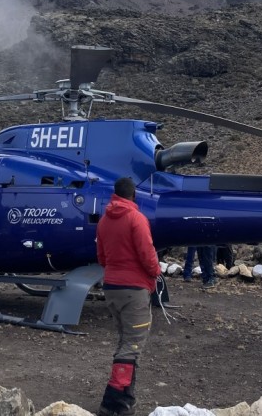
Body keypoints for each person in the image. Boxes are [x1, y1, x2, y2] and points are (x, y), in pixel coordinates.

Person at [95, 177, 161, 416]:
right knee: (132, 345)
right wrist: (156, 272)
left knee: (125, 341)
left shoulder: (103, 221)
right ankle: (114, 403)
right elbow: (147, 252)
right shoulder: (136, 219)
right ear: (133, 195)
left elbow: (101, 257)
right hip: (134, 290)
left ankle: (127, 398)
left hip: (112, 287)